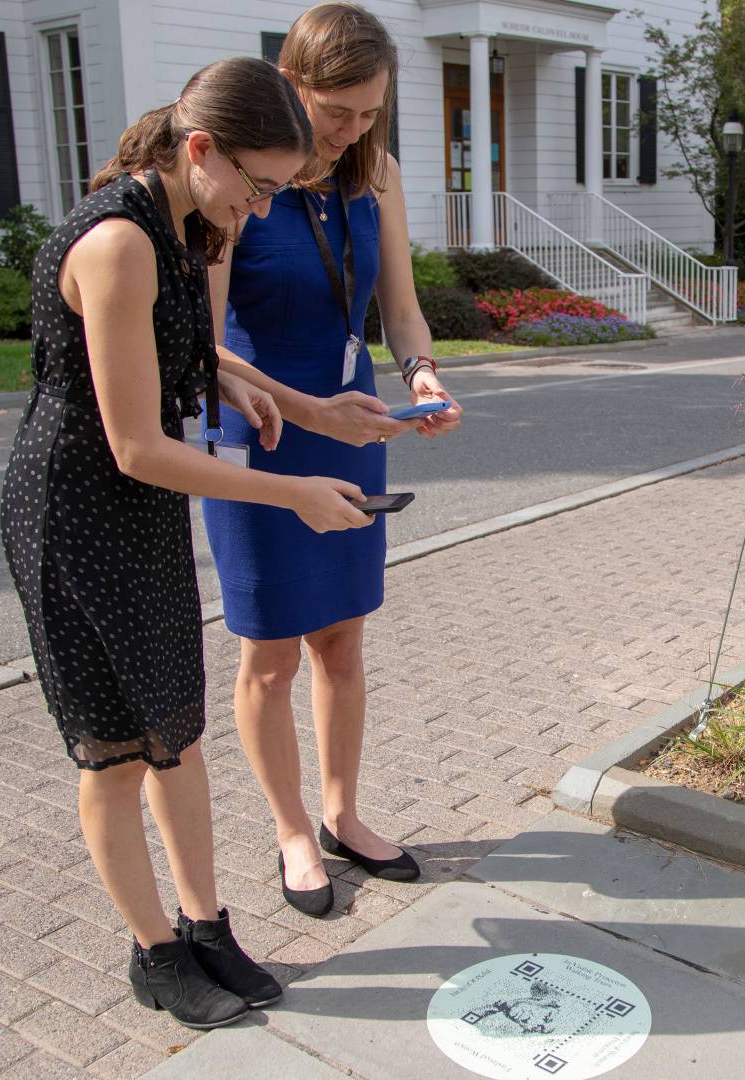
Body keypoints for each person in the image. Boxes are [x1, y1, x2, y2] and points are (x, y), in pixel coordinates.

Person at [0, 57, 376, 1029]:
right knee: (117, 754)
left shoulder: (181, 221)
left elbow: (191, 350)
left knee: (179, 733)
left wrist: (298, 404)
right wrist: (290, 489)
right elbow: (132, 445)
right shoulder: (120, 240)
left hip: (138, 514)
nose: (258, 214)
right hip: (75, 519)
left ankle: (206, 927)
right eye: (256, 187)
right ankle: (154, 951)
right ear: (199, 148)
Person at [203, 1, 463, 919]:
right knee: (269, 654)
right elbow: (204, 344)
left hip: (354, 428)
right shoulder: (243, 180)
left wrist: (423, 378)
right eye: (336, 110)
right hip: (262, 438)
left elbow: (399, 311)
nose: (353, 131)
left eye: (369, 114)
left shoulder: (376, 173)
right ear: (292, 83)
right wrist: (308, 410)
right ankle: (287, 832)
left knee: (343, 641)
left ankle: (344, 813)